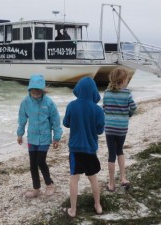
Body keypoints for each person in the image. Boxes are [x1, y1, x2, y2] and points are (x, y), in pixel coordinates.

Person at [63, 77, 104, 217]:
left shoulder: (71, 106)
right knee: (93, 178)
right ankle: (98, 205)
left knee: (74, 179)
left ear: (79, 90)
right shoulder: (98, 110)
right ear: (94, 92)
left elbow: (66, 123)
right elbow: (99, 130)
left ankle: (73, 210)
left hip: (75, 149)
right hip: (90, 150)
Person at [17, 74, 62, 198]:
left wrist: (56, 137)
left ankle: (49, 184)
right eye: (34, 93)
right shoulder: (25, 102)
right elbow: (22, 119)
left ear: (43, 91)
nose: (36, 96)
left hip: (44, 137)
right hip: (32, 137)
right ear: (29, 90)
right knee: (32, 164)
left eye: (38, 93)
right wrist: (20, 134)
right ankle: (36, 188)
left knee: (40, 161)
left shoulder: (48, 102)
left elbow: (55, 120)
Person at [103, 67, 137, 192]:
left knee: (111, 154)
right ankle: (123, 178)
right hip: (122, 128)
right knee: (120, 151)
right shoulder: (127, 93)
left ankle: (111, 184)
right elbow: (133, 107)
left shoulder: (107, 93)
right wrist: (127, 115)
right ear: (122, 80)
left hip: (110, 128)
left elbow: (104, 108)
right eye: (126, 80)